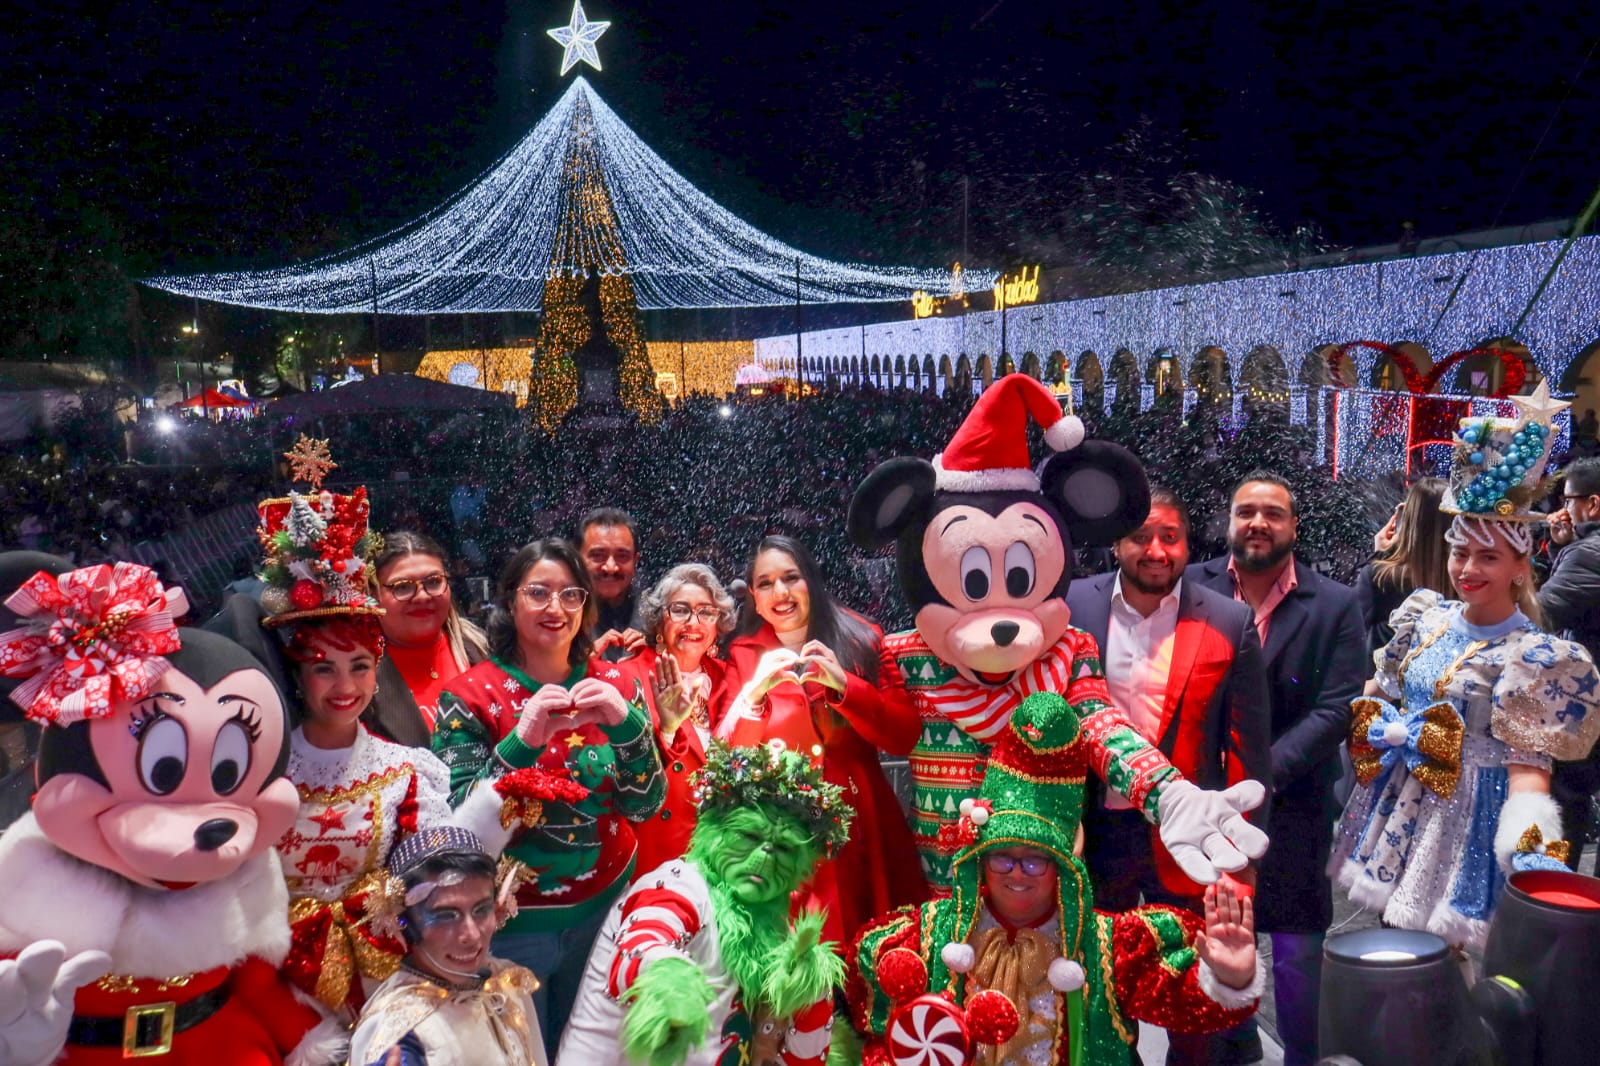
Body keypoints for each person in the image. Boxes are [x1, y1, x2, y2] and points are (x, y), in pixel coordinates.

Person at [848, 693, 1263, 1066]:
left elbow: (1188, 1007)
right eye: (1002, 859)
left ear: (1066, 867)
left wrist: (1230, 977)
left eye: (1035, 861)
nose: (1015, 873)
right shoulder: (927, 938)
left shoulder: (1109, 948)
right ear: (979, 861)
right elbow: (876, 1029)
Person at [1334, 391, 1600, 951]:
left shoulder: (1535, 657)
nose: (1468, 569)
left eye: (1488, 557)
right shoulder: (1425, 617)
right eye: (1460, 553)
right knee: (1397, 955)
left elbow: (1530, 768)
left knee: (1454, 967)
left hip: (1473, 821)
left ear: (1520, 566)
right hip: (1404, 802)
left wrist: (1533, 853)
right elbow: (1377, 689)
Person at [431, 538, 666, 1056]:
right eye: (539, 592)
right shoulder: (469, 697)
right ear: (511, 600)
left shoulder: (618, 684)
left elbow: (645, 805)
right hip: (514, 931)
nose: (555, 608)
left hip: (606, 914)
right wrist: (521, 742)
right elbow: (454, 830)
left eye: (571, 595)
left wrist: (628, 728)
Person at [252, 468, 457, 1018]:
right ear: (297, 675)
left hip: (383, 984)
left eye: (359, 666)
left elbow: (436, 869)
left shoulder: (407, 771)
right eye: (323, 668)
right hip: (270, 988)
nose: (344, 687)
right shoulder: (258, 772)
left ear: (377, 669)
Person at [1186, 469, 1367, 1066]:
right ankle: (1232, 1044)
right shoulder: (1190, 589)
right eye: (1246, 512)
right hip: (1205, 806)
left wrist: (1260, 778)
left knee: (1294, 947)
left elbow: (1338, 706)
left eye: (1273, 512)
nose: (1258, 522)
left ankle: (1302, 1055)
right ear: (1229, 522)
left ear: (1293, 526)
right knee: (1212, 935)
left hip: (1294, 804)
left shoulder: (1336, 603)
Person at [556, 742, 849, 1066]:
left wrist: (810, 998)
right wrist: (669, 975)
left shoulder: (775, 931)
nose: (764, 856)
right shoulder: (681, 884)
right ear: (715, 831)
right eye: (749, 837)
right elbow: (642, 941)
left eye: (783, 849)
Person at [718, 533, 926, 946]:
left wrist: (845, 685)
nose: (780, 592)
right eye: (765, 583)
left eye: (791, 577)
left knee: (875, 950)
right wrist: (754, 695)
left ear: (810, 580)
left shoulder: (861, 638)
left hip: (861, 820)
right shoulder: (741, 653)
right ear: (754, 598)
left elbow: (902, 735)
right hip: (783, 833)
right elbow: (730, 756)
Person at [348, 826, 546, 1066]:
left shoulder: (506, 983)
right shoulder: (402, 1029)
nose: (471, 935)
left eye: (482, 910)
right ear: (404, 924)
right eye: (446, 915)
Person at [608, 563, 738, 875]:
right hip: (656, 851)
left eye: (706, 612)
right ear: (657, 622)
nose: (694, 622)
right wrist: (665, 731)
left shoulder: (731, 678)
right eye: (680, 610)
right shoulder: (626, 679)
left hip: (722, 853)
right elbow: (617, 775)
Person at [1539, 457, 1600, 865]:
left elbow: (1540, 614)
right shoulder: (1581, 550)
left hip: (1587, 698)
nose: (1562, 511)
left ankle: (1557, 902)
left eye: (1568, 500)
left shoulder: (1588, 554)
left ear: (1592, 504)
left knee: (1567, 799)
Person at [374, 531, 489, 730]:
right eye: (402, 587)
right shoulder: (356, 671)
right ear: (373, 595)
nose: (422, 597)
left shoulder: (484, 650)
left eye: (434, 582)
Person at [1356, 477, 1453, 654]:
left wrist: (1381, 555)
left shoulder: (1379, 578)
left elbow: (1354, 635)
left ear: (1406, 521)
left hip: (1385, 679)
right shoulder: (1463, 578)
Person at [578, 507, 646, 660]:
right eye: (598, 555)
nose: (610, 567)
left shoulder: (657, 618)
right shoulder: (559, 617)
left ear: (635, 561)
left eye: (622, 556)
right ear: (577, 558)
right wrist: (582, 665)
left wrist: (652, 655)